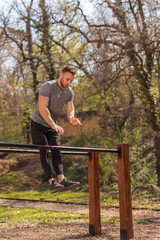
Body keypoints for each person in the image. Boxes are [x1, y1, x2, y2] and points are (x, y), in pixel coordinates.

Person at [31, 65, 82, 193]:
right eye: (67, 79)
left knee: (57, 150)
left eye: (71, 80)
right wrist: (54, 125)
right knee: (44, 151)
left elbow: (70, 108)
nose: (68, 82)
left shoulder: (69, 91)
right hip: (38, 124)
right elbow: (43, 108)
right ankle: (52, 182)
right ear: (61, 75)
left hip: (54, 125)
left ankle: (61, 179)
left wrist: (71, 118)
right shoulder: (47, 86)